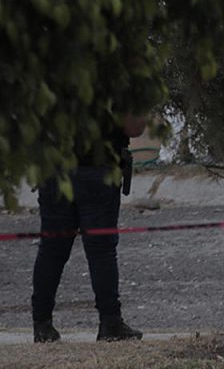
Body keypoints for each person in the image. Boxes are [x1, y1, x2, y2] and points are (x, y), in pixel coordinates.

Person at [31, 113, 148, 343]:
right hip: (98, 171)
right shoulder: (115, 77)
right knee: (101, 252)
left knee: (52, 250)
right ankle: (110, 322)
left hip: (55, 171)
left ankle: (42, 324)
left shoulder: (49, 76)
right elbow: (134, 127)